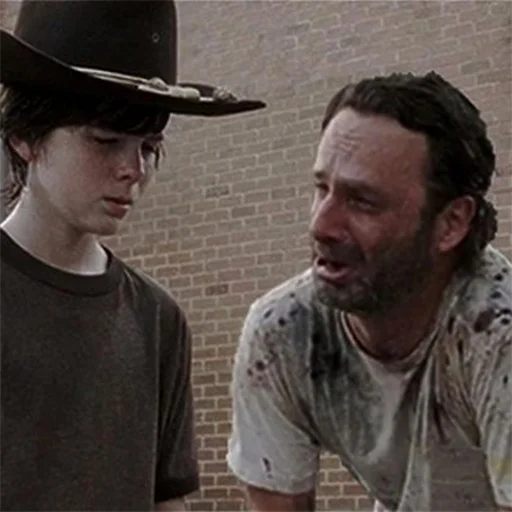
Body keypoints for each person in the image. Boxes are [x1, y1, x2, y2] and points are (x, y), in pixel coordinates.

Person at [0, 1, 265, 511]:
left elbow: (168, 499)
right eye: (106, 140)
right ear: (25, 138)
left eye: (147, 147)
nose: (134, 170)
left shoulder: (156, 319)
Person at [227, 70, 512, 512]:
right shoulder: (285, 331)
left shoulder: (496, 332)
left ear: (451, 223)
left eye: (362, 201)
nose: (321, 226)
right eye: (321, 188)